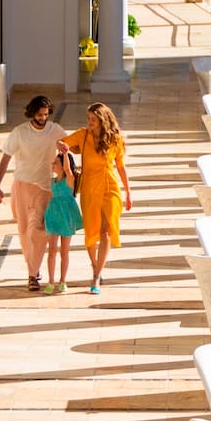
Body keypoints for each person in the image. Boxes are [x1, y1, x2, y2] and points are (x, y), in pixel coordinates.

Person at [0, 95, 68, 292]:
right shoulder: (19, 132)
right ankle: (33, 271)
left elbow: (72, 146)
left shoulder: (55, 130)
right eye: (39, 114)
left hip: (44, 189)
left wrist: (64, 148)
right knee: (25, 232)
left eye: (45, 114)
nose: (43, 118)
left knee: (39, 231)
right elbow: (5, 160)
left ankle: (33, 273)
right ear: (32, 113)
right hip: (22, 186)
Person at [59, 102, 130, 294]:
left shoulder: (115, 138)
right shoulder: (83, 135)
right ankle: (95, 265)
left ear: (102, 120)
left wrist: (128, 193)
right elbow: (62, 141)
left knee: (106, 230)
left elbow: (121, 166)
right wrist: (65, 147)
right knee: (92, 231)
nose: (89, 122)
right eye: (88, 118)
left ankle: (96, 276)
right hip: (90, 188)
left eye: (93, 119)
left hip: (110, 187)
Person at [41, 153, 83, 295]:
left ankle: (63, 281)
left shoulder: (70, 179)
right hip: (53, 215)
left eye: (56, 163)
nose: (53, 165)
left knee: (64, 251)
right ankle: (51, 281)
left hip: (66, 217)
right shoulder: (52, 181)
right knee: (52, 251)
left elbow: (68, 169)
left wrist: (65, 153)